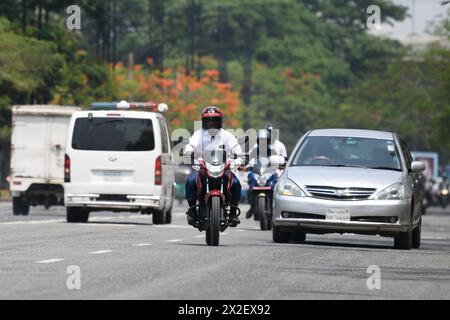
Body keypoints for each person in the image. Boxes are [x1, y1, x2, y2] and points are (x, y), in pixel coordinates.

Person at [184, 106, 244, 226]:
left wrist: (238, 158)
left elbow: (236, 148)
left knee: (236, 184)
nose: (211, 123)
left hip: (224, 168)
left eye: (214, 120)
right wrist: (188, 151)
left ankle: (232, 213)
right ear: (204, 121)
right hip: (201, 168)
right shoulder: (198, 134)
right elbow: (190, 145)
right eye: (209, 120)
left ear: (219, 121)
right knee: (190, 181)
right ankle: (192, 211)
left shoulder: (226, 135)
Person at [245, 124, 287, 219]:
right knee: (249, 187)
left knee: (278, 188)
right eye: (261, 140)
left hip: (273, 171)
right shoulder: (255, 148)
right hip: (259, 172)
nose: (263, 142)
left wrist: (281, 166)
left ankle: (278, 207)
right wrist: (248, 166)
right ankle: (252, 206)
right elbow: (250, 159)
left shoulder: (278, 146)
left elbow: (284, 159)